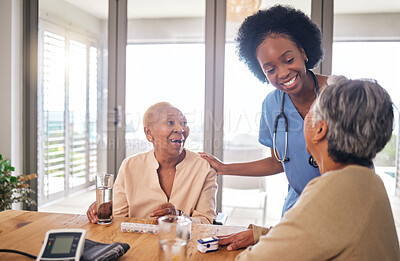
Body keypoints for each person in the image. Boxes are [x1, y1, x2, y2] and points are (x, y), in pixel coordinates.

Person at [220, 77, 400, 260]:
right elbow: (326, 234)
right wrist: (264, 235)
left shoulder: (331, 189)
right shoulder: (369, 181)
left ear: (320, 130)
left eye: (311, 111)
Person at [200, 5, 329, 216]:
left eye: (289, 60)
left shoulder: (339, 92)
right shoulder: (272, 105)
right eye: (270, 69)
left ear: (303, 52)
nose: (284, 72)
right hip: (299, 208)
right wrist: (224, 168)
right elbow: (278, 162)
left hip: (343, 201)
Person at [87, 102, 217, 224]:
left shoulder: (204, 167)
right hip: (137, 243)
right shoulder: (130, 166)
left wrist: (180, 217)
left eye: (184, 123)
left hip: (184, 243)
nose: (180, 129)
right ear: (149, 133)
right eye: (170, 122)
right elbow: (120, 220)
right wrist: (105, 211)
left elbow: (206, 221)